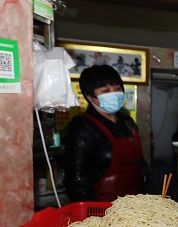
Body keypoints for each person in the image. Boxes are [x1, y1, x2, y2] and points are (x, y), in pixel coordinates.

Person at [63, 65, 152, 202]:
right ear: (89, 97)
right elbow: (76, 181)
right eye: (105, 91)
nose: (113, 94)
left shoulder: (128, 122)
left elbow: (142, 168)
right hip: (102, 211)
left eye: (117, 89)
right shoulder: (83, 127)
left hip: (135, 208)